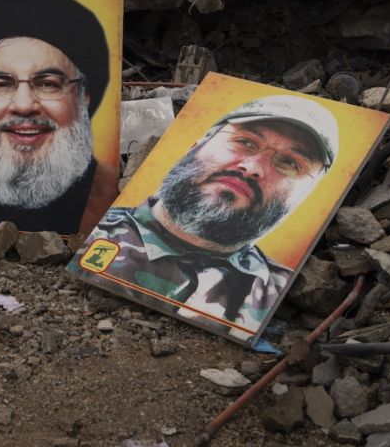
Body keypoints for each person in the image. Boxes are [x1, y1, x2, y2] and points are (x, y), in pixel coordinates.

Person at [78, 94, 338, 336]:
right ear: (196, 145)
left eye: (290, 163)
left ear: (306, 193)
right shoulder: (95, 235)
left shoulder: (277, 288)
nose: (252, 167)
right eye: (245, 142)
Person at [0, 0, 118, 234]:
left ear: (84, 96)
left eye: (48, 84)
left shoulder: (117, 201)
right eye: (1, 84)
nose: (23, 105)